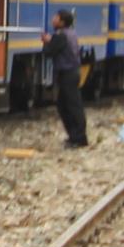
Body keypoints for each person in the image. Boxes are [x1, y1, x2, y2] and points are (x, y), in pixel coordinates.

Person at [43, 9, 87, 147]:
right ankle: (75, 136)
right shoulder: (71, 34)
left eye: (56, 17)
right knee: (66, 105)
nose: (53, 19)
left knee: (71, 106)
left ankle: (79, 138)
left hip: (67, 74)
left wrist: (46, 42)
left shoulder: (61, 35)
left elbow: (48, 52)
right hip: (72, 73)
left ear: (62, 22)